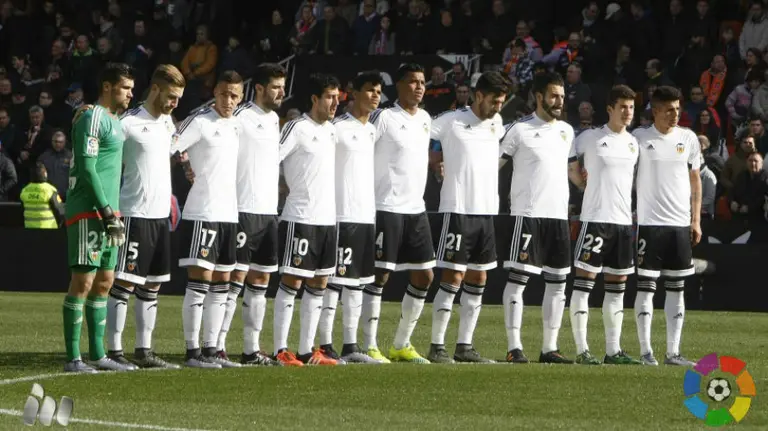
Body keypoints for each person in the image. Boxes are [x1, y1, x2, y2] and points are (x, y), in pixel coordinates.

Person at [105, 65, 186, 370]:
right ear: (154, 89)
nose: (174, 103)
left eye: (178, 98)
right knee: (124, 282)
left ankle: (144, 350)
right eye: (171, 96)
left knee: (152, 286)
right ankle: (113, 351)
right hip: (134, 214)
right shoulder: (127, 123)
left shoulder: (167, 122)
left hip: (159, 216)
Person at [427, 71, 508, 363]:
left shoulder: (496, 124)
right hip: (457, 208)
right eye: (494, 101)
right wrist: (434, 162)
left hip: (486, 211)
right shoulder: (450, 121)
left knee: (479, 275)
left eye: (502, 102)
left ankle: (464, 345)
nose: (498, 107)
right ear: (478, 96)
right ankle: (437, 345)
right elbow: (419, 136)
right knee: (454, 274)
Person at [62, 62, 134, 373]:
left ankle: (99, 354)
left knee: (105, 282)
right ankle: (74, 358)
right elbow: (88, 168)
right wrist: (105, 210)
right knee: (83, 281)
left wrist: (112, 212)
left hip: (110, 211)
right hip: (89, 210)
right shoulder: (93, 118)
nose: (131, 94)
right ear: (107, 86)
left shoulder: (116, 121)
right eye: (125, 88)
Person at [499, 71, 575, 364]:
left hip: (557, 216)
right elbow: (493, 163)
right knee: (519, 280)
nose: (559, 101)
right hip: (527, 214)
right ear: (539, 96)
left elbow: (570, 172)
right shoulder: (519, 129)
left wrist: (586, 184)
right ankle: (514, 346)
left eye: (562, 96)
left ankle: (549, 348)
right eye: (554, 96)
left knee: (557, 284)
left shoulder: (567, 131)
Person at [566, 85, 643, 365]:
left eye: (631, 107)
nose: (627, 112)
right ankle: (582, 349)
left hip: (623, 223)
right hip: (595, 221)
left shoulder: (633, 142)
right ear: (610, 108)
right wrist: (582, 184)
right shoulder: (590, 138)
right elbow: (569, 164)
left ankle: (613, 351)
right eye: (623, 106)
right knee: (584, 285)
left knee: (617, 288)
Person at [217, 64, 286, 367]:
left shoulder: (273, 119)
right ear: (258, 88)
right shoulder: (240, 118)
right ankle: (216, 346)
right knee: (235, 279)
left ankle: (250, 349)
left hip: (269, 212)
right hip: (243, 209)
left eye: (282, 87)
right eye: (275, 87)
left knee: (260, 280)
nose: (281, 92)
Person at [175, 71, 244, 369]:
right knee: (199, 281)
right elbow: (171, 142)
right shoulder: (200, 122)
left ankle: (212, 349)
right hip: (203, 211)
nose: (228, 101)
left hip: (230, 214)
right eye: (224, 94)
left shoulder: (237, 126)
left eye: (234, 96)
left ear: (241, 98)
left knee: (223, 283)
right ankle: (192, 352)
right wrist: (185, 163)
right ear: (215, 92)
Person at [367, 64, 435, 364]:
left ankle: (401, 344)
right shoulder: (384, 117)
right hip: (386, 206)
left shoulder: (424, 118)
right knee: (379, 274)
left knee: (425, 276)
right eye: (413, 82)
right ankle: (368, 344)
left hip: (415, 209)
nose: (419, 87)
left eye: (422, 82)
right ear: (399, 85)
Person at [315, 71, 383, 364]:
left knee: (358, 282)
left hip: (366, 214)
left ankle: (351, 345)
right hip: (341, 215)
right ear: (353, 93)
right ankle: (325, 344)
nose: (375, 96)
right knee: (333, 282)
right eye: (369, 90)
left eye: (378, 91)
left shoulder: (372, 130)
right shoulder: (337, 128)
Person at [273, 73, 341, 366]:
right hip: (300, 216)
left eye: (338, 97)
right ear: (314, 99)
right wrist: (280, 186)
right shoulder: (297, 128)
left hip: (327, 218)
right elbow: (271, 158)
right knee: (292, 280)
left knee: (319, 283)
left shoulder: (331, 131)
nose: (335, 102)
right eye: (330, 97)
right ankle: (280, 349)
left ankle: (306, 351)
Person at [632, 86, 702, 366]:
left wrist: (695, 219)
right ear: (655, 110)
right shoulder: (638, 137)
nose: (676, 114)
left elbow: (695, 180)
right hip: (649, 225)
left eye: (678, 108)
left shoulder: (688, 138)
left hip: (679, 225)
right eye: (669, 109)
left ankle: (673, 352)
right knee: (646, 288)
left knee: (677, 288)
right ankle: (646, 351)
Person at [20, 163, 64, 228]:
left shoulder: (25, 190)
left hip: (29, 229)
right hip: (48, 229)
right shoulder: (50, 190)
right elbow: (60, 211)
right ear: (45, 174)